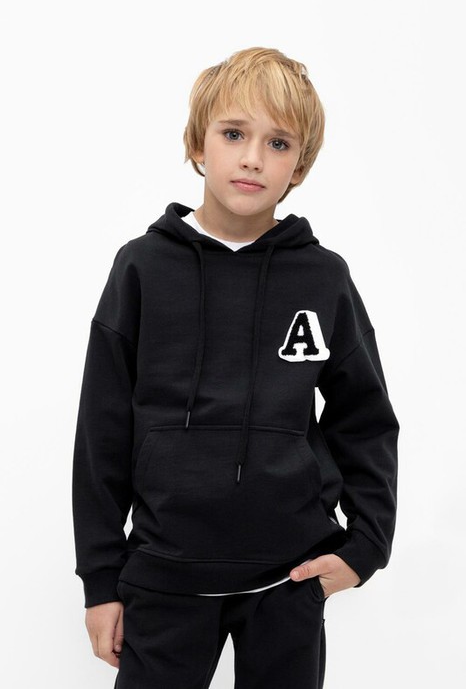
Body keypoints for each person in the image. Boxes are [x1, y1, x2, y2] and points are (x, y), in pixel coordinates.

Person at [72, 46, 399, 688]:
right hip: (163, 575)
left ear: (299, 165)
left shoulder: (323, 278)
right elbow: (101, 433)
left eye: (278, 143)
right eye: (233, 134)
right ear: (198, 144)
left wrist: (366, 547)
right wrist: (101, 580)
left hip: (289, 578)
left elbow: (365, 418)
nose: (253, 158)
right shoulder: (142, 268)